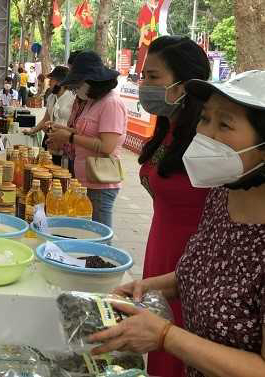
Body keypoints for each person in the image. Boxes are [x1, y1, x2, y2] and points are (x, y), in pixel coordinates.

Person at [89, 70, 265, 377]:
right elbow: (206, 271)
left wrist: (164, 336)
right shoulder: (222, 196)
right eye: (205, 119)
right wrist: (146, 288)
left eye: (224, 124)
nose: (206, 135)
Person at [136, 36, 211, 377]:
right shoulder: (167, 129)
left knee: (177, 352)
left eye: (153, 77)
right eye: (143, 76)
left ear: (186, 84)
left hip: (193, 262)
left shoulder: (211, 142)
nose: (144, 85)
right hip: (159, 253)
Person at [47, 51, 127, 228]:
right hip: (85, 180)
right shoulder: (92, 101)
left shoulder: (111, 103)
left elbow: (106, 146)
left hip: (100, 182)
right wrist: (64, 130)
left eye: (79, 83)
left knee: (98, 234)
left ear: (92, 81)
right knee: (86, 232)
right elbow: (87, 132)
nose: (76, 88)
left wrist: (70, 136)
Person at [27, 66, 75, 165]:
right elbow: (46, 119)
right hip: (50, 139)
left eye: (52, 80)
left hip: (64, 142)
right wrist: (33, 130)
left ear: (60, 82)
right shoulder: (51, 98)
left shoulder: (72, 99)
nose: (49, 83)